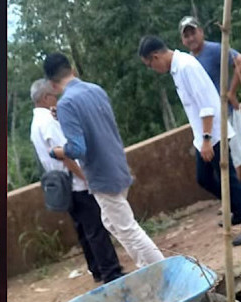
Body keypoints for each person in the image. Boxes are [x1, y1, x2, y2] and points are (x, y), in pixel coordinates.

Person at [42, 53, 165, 270]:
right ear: (72, 70)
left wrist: (57, 152)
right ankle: (151, 269)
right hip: (118, 164)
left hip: (101, 173)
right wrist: (64, 117)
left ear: (52, 84)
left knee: (128, 229)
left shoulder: (67, 103)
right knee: (111, 222)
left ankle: (163, 271)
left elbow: (78, 148)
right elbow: (95, 124)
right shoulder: (95, 90)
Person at [138, 35, 241, 247]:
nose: (153, 69)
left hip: (212, 134)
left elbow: (206, 105)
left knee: (229, 179)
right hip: (203, 135)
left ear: (155, 57)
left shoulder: (185, 67)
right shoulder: (178, 68)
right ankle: (239, 209)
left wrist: (206, 139)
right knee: (203, 178)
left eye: (150, 65)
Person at [29, 78, 124, 283]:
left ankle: (97, 269)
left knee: (83, 229)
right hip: (75, 181)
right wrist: (85, 177)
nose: (57, 100)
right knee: (95, 228)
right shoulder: (47, 123)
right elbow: (66, 154)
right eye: (54, 96)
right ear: (46, 98)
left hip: (62, 183)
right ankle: (110, 271)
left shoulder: (36, 123)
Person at [179, 15, 241, 196]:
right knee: (230, 154)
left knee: (233, 152)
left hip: (223, 110)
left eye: (193, 33)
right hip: (210, 117)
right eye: (187, 36)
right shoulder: (189, 62)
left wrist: (231, 92)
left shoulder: (214, 50)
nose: (191, 38)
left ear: (201, 32)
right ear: (183, 40)